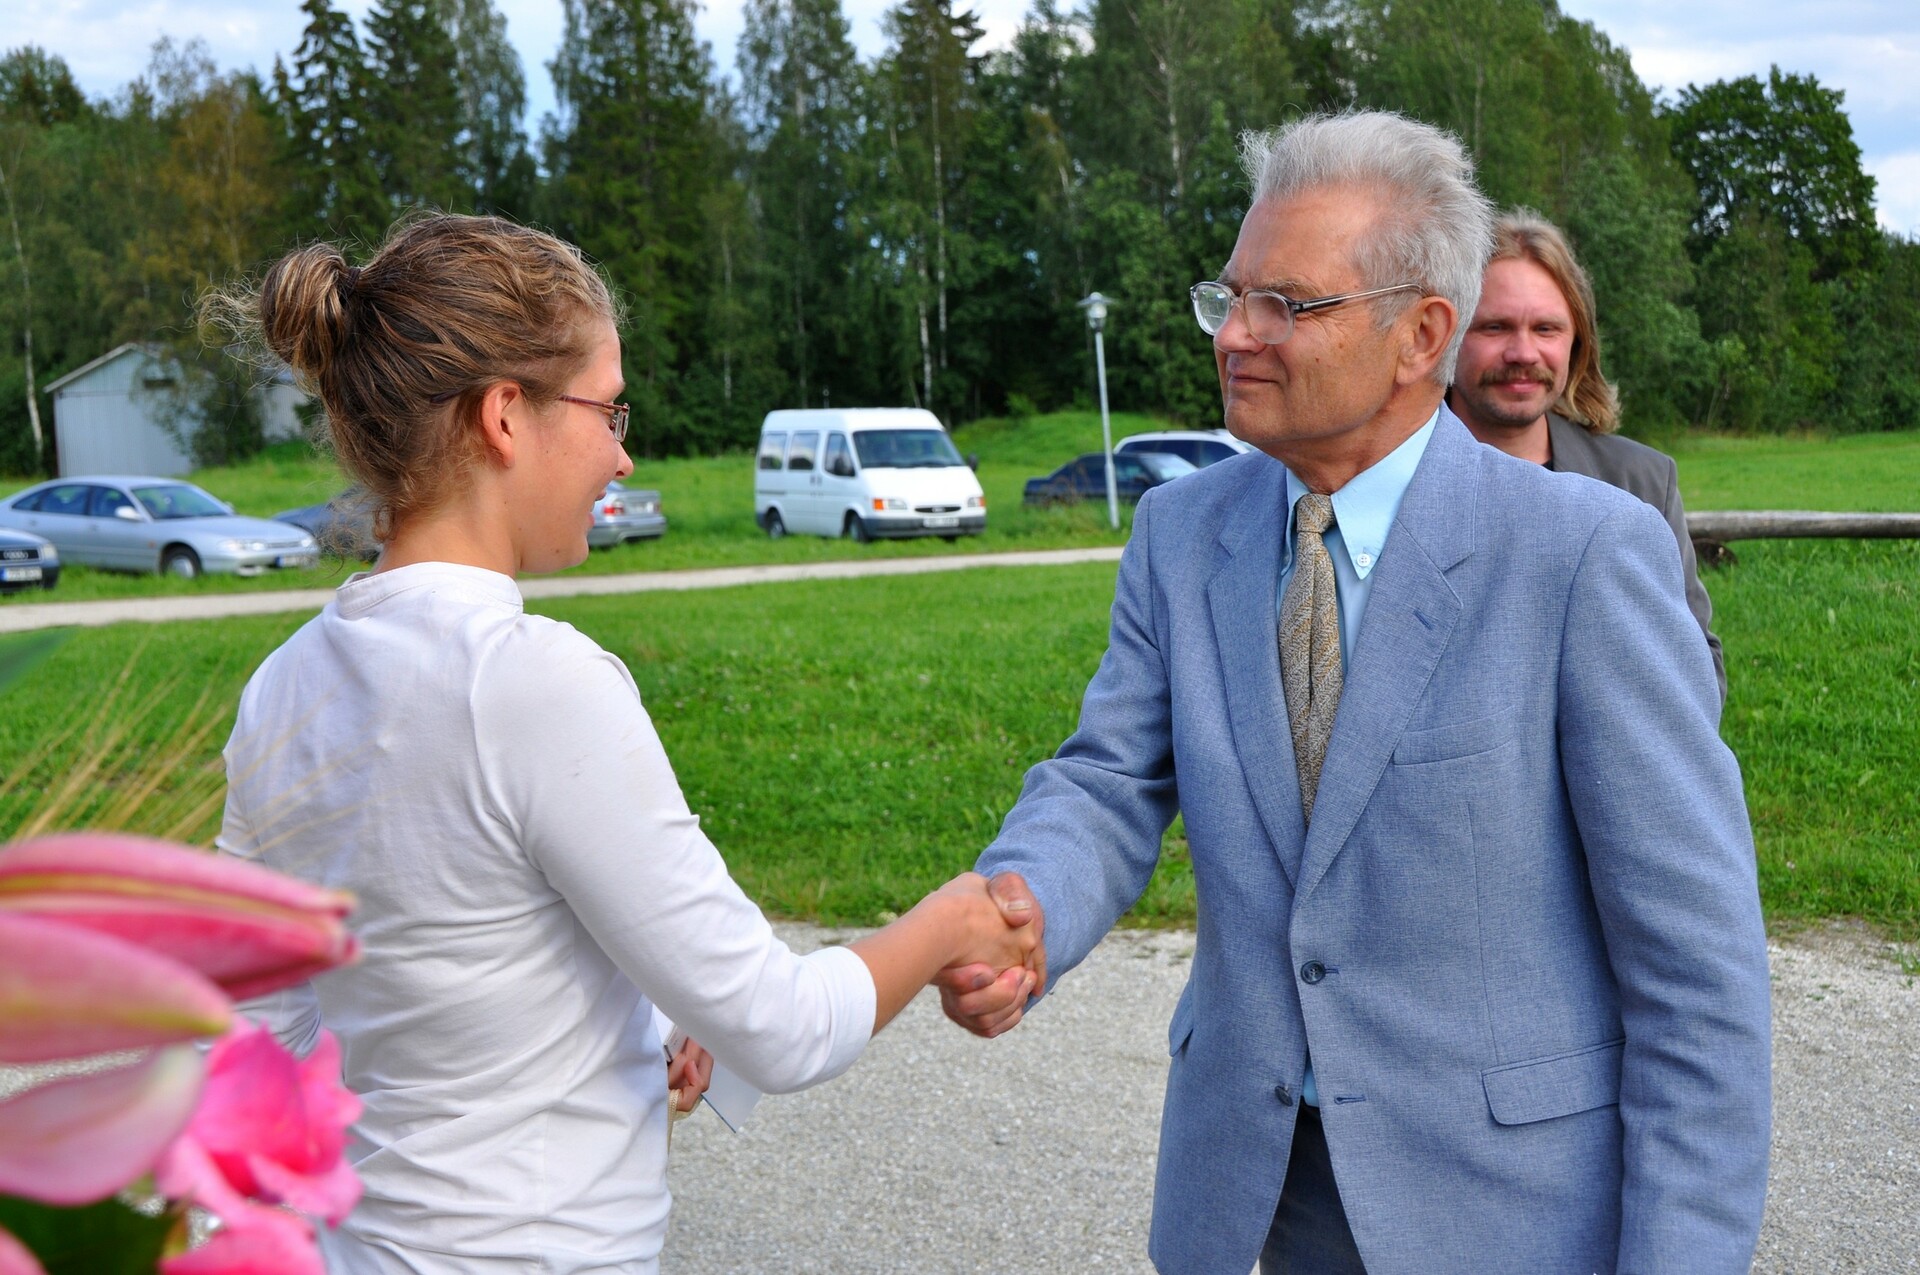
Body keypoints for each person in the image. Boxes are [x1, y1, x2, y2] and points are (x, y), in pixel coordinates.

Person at [939, 113, 1771, 1274]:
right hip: (1264, 1190)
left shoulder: (1583, 554)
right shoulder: (1180, 534)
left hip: (1507, 1212)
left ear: (1420, 334)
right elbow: (1107, 783)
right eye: (1230, 297)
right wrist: (1026, 911)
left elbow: (1698, 971)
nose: (1237, 335)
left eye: (1287, 304)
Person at [211, 213, 1037, 1274]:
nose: (622, 451)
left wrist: (640, 1028)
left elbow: (272, 1034)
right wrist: (955, 916)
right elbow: (782, 1027)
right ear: (504, 416)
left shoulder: (283, 686)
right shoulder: (532, 680)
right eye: (608, 409)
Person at [1446, 209, 1726, 701]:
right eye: (1494, 327)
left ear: (1577, 342)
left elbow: (1696, 669)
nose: (1523, 353)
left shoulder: (1640, 483)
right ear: (1444, 335)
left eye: (1546, 329)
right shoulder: (1394, 474)